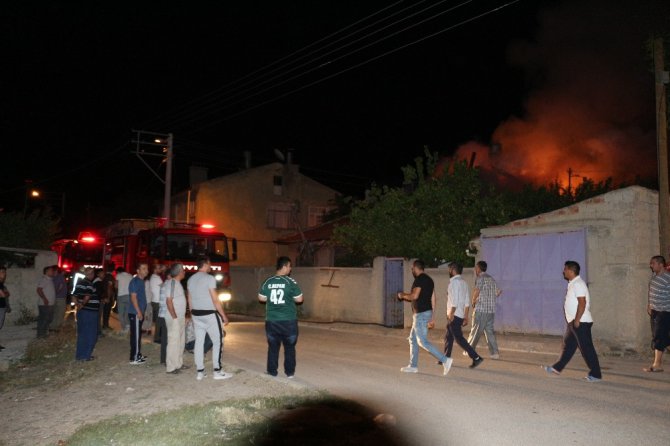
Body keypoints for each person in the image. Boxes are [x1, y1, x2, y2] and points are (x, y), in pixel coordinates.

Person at [543, 260, 602, 382]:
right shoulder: (573, 283)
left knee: (587, 348)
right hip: (574, 322)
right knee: (568, 345)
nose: (563, 271)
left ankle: (596, 374)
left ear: (570, 270)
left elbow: (582, 303)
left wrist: (577, 320)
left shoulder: (578, 284)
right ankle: (557, 368)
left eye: (565, 269)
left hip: (581, 322)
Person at [396, 259, 451, 375]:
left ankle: (445, 360)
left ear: (416, 268)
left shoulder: (419, 280)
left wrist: (403, 295)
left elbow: (414, 296)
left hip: (420, 314)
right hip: (425, 313)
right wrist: (432, 316)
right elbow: (433, 298)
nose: (412, 270)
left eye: (412, 268)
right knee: (413, 339)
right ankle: (413, 366)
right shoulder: (429, 280)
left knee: (422, 341)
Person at [258, 256, 305, 378]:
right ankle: (289, 373)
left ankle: (272, 372)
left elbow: (261, 298)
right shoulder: (290, 282)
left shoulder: (268, 281)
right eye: (289, 266)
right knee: (289, 348)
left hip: (272, 321)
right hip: (289, 321)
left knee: (273, 347)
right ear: (284, 267)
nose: (290, 269)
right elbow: (299, 299)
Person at [187, 257, 231, 380]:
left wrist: (192, 314)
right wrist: (223, 316)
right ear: (205, 265)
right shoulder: (209, 278)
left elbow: (189, 298)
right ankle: (217, 371)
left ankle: (200, 372)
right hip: (210, 314)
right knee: (218, 341)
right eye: (210, 264)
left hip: (196, 314)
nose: (211, 266)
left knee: (199, 343)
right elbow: (215, 299)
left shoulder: (191, 279)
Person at [444, 262, 484, 372]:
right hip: (459, 314)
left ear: (452, 269)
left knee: (459, 338)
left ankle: (476, 357)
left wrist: (451, 314)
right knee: (449, 336)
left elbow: (455, 301)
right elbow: (467, 302)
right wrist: (466, 316)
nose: (449, 271)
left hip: (454, 315)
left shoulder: (454, 283)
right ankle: (445, 358)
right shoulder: (464, 283)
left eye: (449, 269)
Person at [464, 261, 502, 359]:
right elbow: (498, 292)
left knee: (475, 331)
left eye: (475, 268)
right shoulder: (492, 279)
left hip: (481, 310)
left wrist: (473, 301)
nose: (475, 270)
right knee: (490, 332)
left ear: (478, 268)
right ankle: (495, 353)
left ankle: (469, 350)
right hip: (491, 311)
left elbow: (477, 290)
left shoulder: (480, 278)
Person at [644, 255, 670, 372]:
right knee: (663, 337)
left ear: (661, 264)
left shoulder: (667, 278)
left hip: (664, 311)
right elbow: (652, 291)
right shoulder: (655, 276)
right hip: (655, 311)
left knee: (658, 337)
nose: (651, 265)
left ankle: (657, 365)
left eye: (653, 263)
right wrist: (649, 304)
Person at [164, 263, 188, 374]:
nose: (184, 272)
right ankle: (171, 367)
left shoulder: (177, 283)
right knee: (174, 342)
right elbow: (168, 301)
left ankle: (178, 363)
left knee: (180, 341)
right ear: (178, 272)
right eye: (183, 270)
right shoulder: (172, 283)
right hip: (174, 318)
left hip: (179, 317)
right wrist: (174, 318)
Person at [73, 267, 99, 361]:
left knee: (82, 334)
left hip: (82, 312)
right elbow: (87, 296)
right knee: (91, 334)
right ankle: (85, 356)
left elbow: (74, 296)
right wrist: (83, 304)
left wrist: (78, 305)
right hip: (90, 312)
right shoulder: (89, 284)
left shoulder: (79, 283)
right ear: (91, 274)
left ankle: (80, 355)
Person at [128, 263, 149, 364]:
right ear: (138, 270)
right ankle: (135, 357)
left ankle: (137, 354)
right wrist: (139, 312)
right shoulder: (135, 281)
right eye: (143, 268)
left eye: (147, 268)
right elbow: (133, 297)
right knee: (136, 336)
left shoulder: (141, 281)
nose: (146, 270)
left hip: (138, 312)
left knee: (137, 335)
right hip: (135, 312)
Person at [36, 266, 56, 338]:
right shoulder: (44, 279)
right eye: (51, 270)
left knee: (48, 319)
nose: (53, 272)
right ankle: (41, 335)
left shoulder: (50, 280)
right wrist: (44, 299)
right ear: (46, 272)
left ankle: (44, 333)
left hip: (49, 304)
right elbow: (39, 290)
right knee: (44, 319)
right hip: (44, 304)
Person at [149, 263, 165, 343]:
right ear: (155, 269)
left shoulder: (152, 277)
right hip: (158, 301)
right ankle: (157, 338)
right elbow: (164, 287)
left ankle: (156, 336)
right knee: (159, 320)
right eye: (159, 268)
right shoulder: (157, 278)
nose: (160, 269)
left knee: (156, 320)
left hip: (154, 301)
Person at [115, 267, 132, 333]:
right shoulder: (130, 275)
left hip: (121, 296)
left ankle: (124, 327)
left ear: (118, 272)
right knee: (127, 312)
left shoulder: (118, 275)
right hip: (129, 296)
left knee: (121, 313)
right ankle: (128, 326)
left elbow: (116, 286)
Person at [50, 266, 68, 331]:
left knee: (55, 312)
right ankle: (57, 327)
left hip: (55, 298)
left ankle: (52, 326)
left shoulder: (53, 278)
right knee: (60, 313)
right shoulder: (60, 277)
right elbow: (60, 286)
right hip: (60, 298)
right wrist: (56, 293)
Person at [0, 266, 12, 350]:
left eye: (4, 272)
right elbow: (4, 294)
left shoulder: (1, 284)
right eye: (2, 272)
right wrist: (5, 293)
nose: (5, 274)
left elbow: (6, 293)